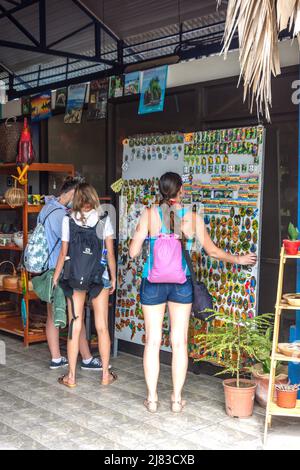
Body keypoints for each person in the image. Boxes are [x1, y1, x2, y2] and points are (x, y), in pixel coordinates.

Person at [129, 172, 257, 413]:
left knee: (153, 341)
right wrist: (239, 259)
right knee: (179, 342)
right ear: (181, 191)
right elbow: (214, 252)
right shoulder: (193, 218)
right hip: (181, 282)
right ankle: (176, 400)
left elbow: (134, 252)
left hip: (153, 282)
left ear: (161, 190)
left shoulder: (148, 215)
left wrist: (147, 238)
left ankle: (152, 399)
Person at [53, 183, 117, 388]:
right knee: (102, 326)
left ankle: (71, 377)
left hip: (75, 277)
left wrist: (56, 277)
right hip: (100, 277)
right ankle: (105, 375)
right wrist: (113, 277)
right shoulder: (104, 218)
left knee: (75, 324)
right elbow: (110, 253)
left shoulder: (68, 219)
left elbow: (64, 253)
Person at [39, 176, 101, 371]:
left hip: (47, 266)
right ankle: (87, 358)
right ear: (73, 193)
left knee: (52, 314)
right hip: (61, 268)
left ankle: (56, 358)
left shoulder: (47, 207)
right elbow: (69, 246)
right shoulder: (61, 216)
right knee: (77, 316)